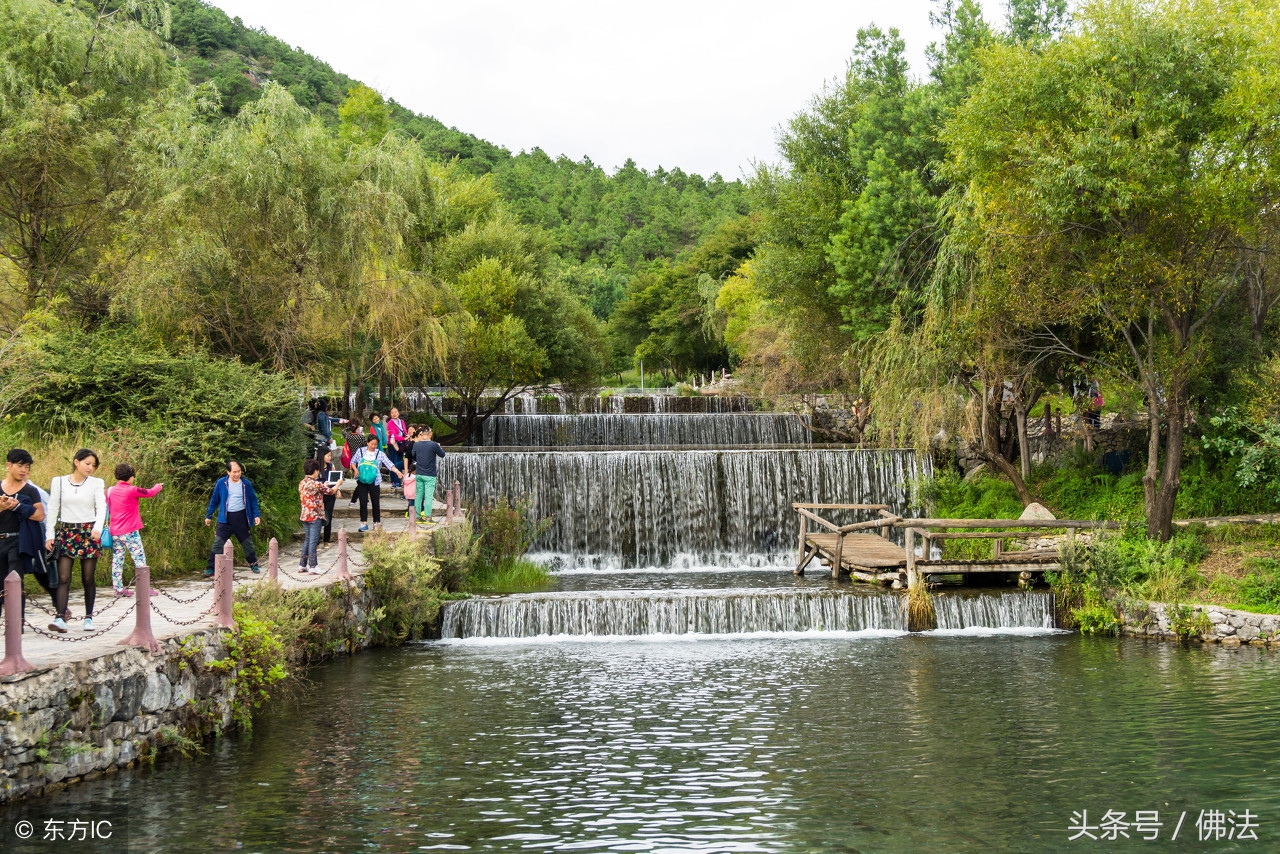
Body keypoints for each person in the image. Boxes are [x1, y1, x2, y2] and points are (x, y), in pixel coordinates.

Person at [44, 449, 106, 632]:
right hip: (66, 532)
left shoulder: (96, 483)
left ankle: (88, 618)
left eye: (94, 465)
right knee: (63, 577)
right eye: (87, 463)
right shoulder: (59, 482)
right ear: (76, 462)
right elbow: (53, 508)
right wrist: (50, 535)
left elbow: (101, 507)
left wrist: (98, 528)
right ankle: (60, 617)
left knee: (88, 578)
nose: (91, 468)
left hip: (88, 532)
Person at [0, 449, 45, 626]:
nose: (23, 470)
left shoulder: (30, 490)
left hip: (18, 540)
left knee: (15, 580)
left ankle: (17, 624)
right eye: (20, 466)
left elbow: (40, 515)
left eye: (27, 467)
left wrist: (18, 506)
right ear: (8, 465)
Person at [106, 464, 162, 596]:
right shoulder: (132, 490)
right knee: (139, 559)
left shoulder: (109, 490)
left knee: (117, 560)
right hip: (130, 531)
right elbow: (149, 493)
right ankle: (144, 588)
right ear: (131, 478)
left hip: (114, 531)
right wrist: (158, 486)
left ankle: (118, 588)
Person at [204, 461, 262, 577]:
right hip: (225, 519)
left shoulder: (246, 484)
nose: (237, 474)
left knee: (247, 542)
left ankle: (253, 564)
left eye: (239, 471)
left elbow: (253, 500)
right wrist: (209, 515)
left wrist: (256, 515)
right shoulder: (221, 483)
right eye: (234, 472)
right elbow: (215, 500)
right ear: (228, 472)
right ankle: (211, 568)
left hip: (241, 517)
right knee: (218, 544)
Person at [349, 434, 404, 532]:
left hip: (375, 481)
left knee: (375, 502)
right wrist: (355, 470)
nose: (373, 446)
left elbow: (388, 464)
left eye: (375, 444)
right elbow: (352, 462)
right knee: (363, 501)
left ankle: (376, 522)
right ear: (367, 443)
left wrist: (397, 471)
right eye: (372, 444)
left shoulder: (380, 454)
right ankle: (363, 523)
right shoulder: (360, 451)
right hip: (361, 479)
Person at [298, 459, 334, 573]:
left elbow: (316, 490)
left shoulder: (302, 482)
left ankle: (302, 564)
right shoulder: (316, 484)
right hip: (314, 516)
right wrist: (338, 483)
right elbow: (331, 491)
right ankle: (313, 565)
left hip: (305, 515)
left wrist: (323, 485)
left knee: (308, 540)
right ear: (315, 471)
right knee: (313, 541)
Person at [411, 427, 447, 524]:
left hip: (419, 473)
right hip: (430, 474)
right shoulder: (434, 445)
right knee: (428, 496)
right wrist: (439, 447)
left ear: (422, 435)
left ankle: (417, 517)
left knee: (418, 496)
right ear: (430, 434)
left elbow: (413, 455)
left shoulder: (416, 444)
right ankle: (428, 517)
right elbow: (442, 454)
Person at [318, 447, 344, 546]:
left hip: (330, 494)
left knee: (328, 516)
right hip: (319, 496)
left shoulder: (331, 466)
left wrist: (338, 489)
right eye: (328, 456)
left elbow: (336, 478)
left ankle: (326, 540)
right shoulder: (316, 467)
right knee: (318, 518)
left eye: (330, 456)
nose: (330, 458)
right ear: (322, 456)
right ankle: (316, 542)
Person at [386, 408, 408, 489]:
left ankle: (398, 481)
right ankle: (394, 481)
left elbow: (404, 431)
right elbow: (393, 434)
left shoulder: (401, 421)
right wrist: (403, 438)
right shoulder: (390, 422)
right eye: (392, 413)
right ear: (390, 415)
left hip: (400, 443)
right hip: (393, 443)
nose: (394, 414)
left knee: (399, 461)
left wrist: (407, 435)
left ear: (398, 413)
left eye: (395, 412)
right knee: (394, 461)